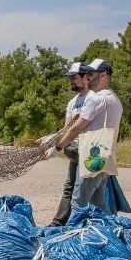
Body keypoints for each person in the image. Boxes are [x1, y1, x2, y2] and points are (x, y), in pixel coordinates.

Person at [56, 58, 123, 214]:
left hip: (93, 156)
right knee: (97, 201)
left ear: (103, 76)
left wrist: (58, 146)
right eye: (86, 74)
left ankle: (72, 230)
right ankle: (114, 227)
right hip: (106, 155)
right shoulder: (115, 99)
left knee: (78, 202)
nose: (87, 77)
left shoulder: (96, 99)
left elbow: (75, 129)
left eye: (91, 74)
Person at [49, 62, 93, 226]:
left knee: (82, 191)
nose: (71, 81)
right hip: (74, 150)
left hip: (90, 151)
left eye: (74, 77)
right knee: (70, 187)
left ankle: (79, 225)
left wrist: (58, 147)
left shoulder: (93, 97)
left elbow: (78, 127)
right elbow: (67, 128)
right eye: (70, 78)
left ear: (84, 77)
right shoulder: (72, 102)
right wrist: (54, 145)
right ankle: (58, 223)